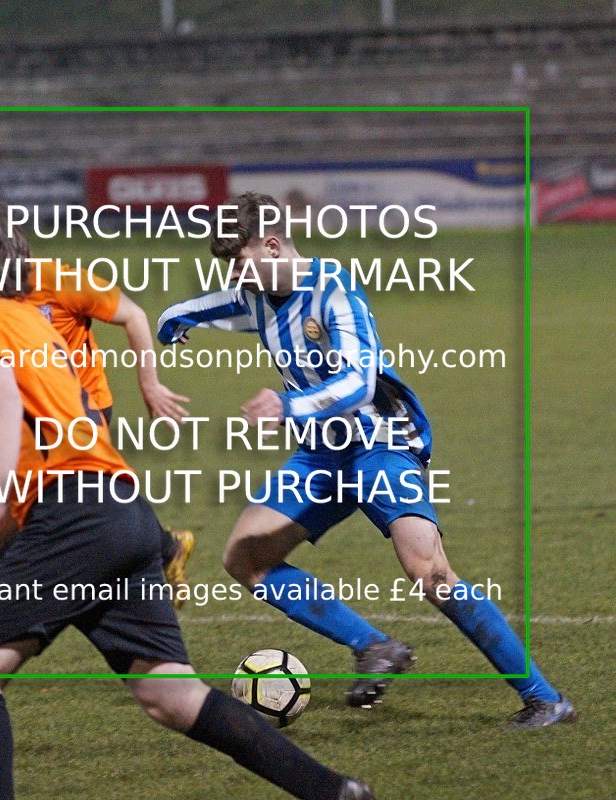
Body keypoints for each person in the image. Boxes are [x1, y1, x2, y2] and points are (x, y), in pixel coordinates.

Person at [0, 198, 375, 800]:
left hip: (73, 516)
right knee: (172, 696)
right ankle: (336, 792)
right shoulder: (28, 318)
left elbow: (6, 404)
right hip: (123, 510)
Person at [156, 191, 574, 728]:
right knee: (245, 558)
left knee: (432, 575)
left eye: (239, 261)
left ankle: (546, 700)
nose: (235, 275)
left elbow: (359, 381)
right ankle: (374, 646)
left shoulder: (334, 291)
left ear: (274, 246)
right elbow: (210, 306)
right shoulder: (256, 293)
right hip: (323, 453)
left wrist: (289, 405)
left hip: (379, 441)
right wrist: (172, 318)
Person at [0, 242, 194, 611]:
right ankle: (167, 547)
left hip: (84, 405)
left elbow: (134, 316)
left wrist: (150, 385)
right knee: (74, 492)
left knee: (36, 491)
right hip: (35, 411)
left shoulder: (57, 279)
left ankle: (5, 597)